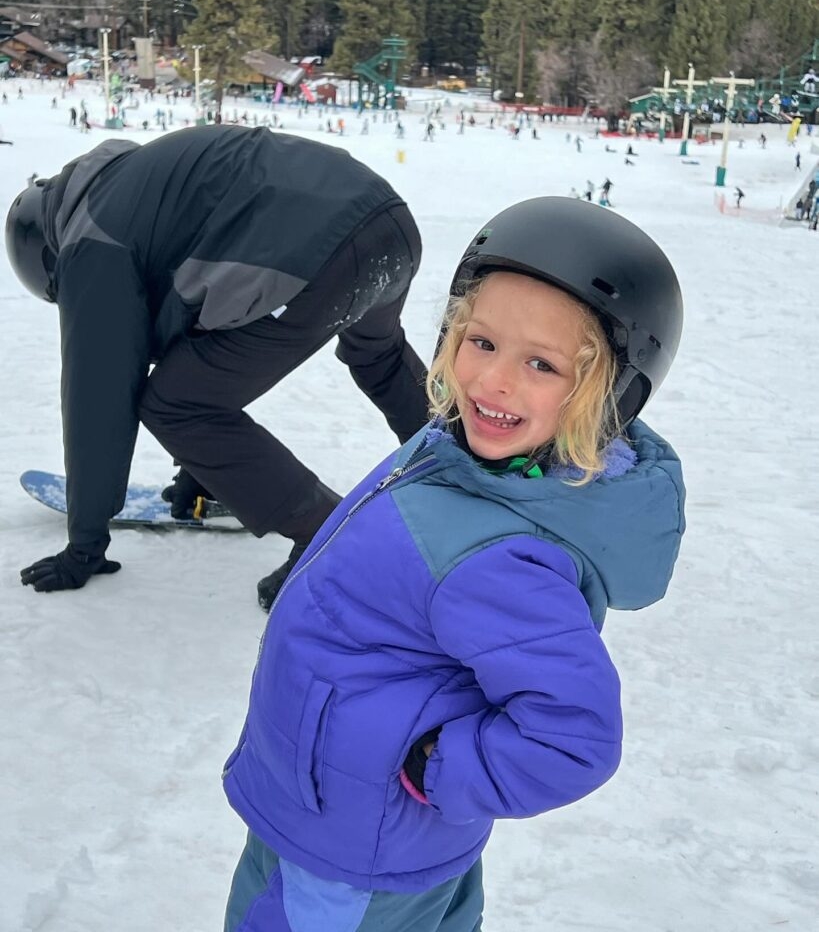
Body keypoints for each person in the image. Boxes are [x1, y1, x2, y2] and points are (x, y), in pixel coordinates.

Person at [222, 197, 686, 931]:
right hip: (339, 816)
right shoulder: (470, 454)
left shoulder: (496, 555)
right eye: (481, 342)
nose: (492, 382)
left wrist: (436, 769)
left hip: (345, 852)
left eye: (541, 363)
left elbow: (573, 737)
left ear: (607, 397)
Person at [6, 126, 429, 606]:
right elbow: (193, 334)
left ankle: (325, 537)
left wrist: (84, 545)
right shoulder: (134, 184)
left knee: (175, 406)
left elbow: (96, 400)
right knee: (380, 355)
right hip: (388, 222)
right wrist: (202, 471)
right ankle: (466, 461)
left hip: (318, 253)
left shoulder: (93, 243)